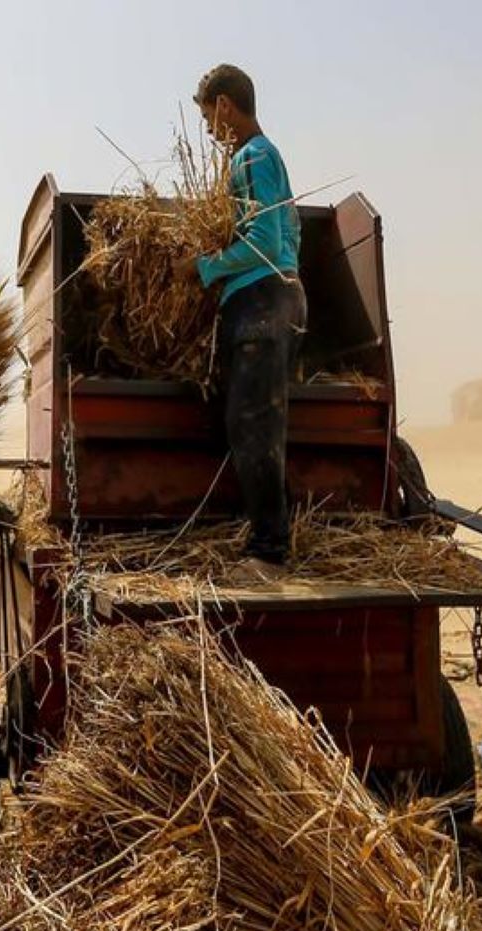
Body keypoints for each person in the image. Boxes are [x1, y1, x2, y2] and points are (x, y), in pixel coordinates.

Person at [175, 63, 304, 580]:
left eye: (209, 118)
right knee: (251, 423)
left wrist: (203, 267)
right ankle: (271, 539)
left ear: (225, 106)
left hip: (263, 303)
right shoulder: (258, 158)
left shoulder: (253, 156)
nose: (209, 132)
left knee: (253, 426)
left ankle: (269, 555)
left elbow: (266, 242)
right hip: (266, 302)